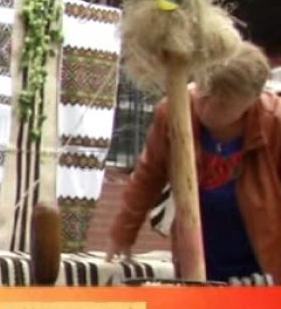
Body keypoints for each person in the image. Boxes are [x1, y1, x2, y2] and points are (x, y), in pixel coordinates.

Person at [108, 41, 281, 283]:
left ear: (250, 100)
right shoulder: (175, 111)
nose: (206, 109)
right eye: (203, 95)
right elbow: (148, 175)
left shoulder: (274, 124)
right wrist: (123, 231)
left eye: (222, 104)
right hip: (201, 255)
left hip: (265, 261)